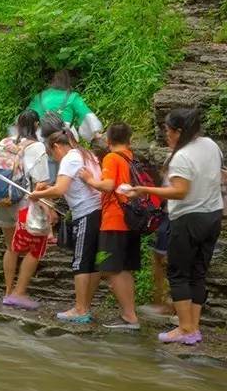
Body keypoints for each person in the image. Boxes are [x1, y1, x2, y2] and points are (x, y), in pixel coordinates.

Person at [126, 107, 224, 345]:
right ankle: (193, 326)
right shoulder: (210, 145)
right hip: (213, 216)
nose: (166, 135)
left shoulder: (182, 156)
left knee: (178, 272)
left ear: (179, 132)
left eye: (168, 131)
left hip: (189, 219)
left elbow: (180, 192)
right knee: (198, 272)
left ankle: (186, 329)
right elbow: (219, 174)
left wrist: (143, 190)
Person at [30, 129, 103, 323]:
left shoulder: (70, 158)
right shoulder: (87, 155)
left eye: (52, 154)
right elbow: (67, 184)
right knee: (93, 264)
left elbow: (60, 190)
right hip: (99, 212)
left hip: (85, 213)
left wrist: (38, 195)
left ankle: (80, 309)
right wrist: (47, 188)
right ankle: (85, 307)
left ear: (56, 146)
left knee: (80, 262)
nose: (54, 158)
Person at [0, 109, 49, 303]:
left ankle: (8, 291)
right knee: (32, 248)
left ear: (18, 125)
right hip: (23, 203)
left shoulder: (6, 142)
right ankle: (19, 293)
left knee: (10, 247)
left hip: (2, 200)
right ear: (37, 125)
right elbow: (41, 180)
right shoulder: (37, 147)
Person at [79, 122, 141, 329]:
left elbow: (108, 185)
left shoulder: (112, 157)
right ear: (130, 140)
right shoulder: (132, 157)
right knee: (125, 268)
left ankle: (130, 316)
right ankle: (129, 314)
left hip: (114, 220)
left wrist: (89, 179)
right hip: (132, 219)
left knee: (109, 267)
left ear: (108, 141)